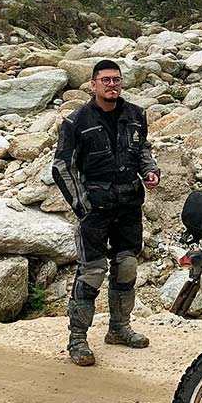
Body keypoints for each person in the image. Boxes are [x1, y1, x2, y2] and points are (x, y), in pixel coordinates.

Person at [52, 59, 159, 366]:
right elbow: (61, 166)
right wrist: (82, 206)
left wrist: (150, 170)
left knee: (126, 267)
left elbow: (143, 150)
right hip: (95, 210)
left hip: (129, 205)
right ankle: (77, 340)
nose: (112, 85)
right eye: (106, 80)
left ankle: (119, 328)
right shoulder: (76, 122)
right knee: (91, 272)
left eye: (117, 80)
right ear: (93, 85)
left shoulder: (136, 115)